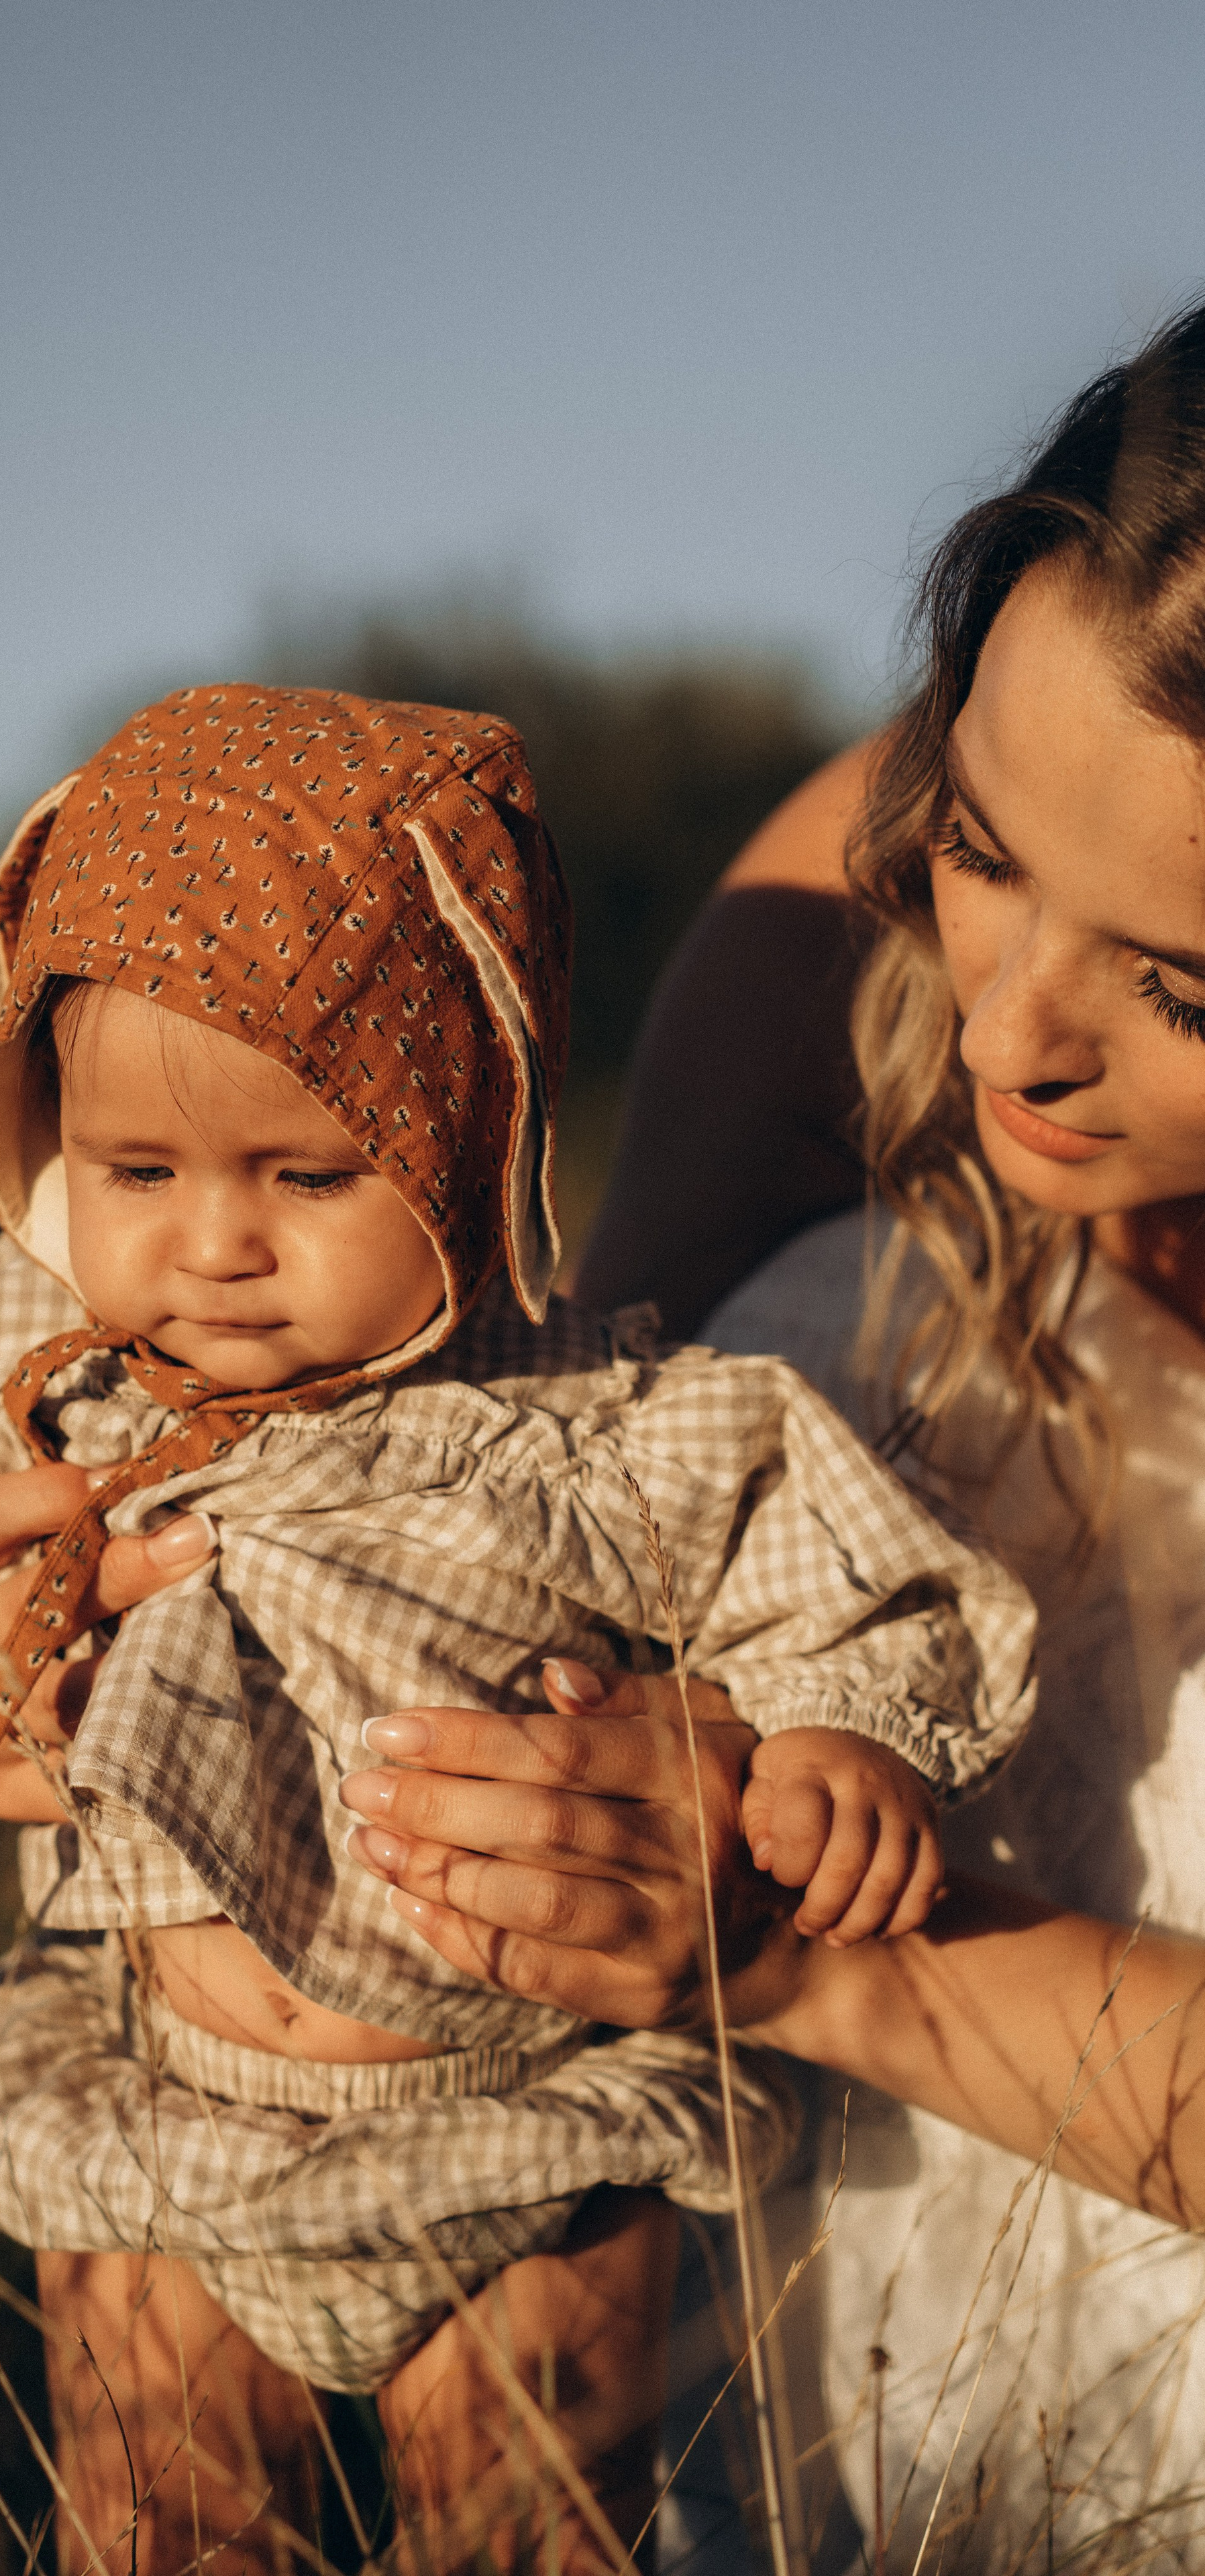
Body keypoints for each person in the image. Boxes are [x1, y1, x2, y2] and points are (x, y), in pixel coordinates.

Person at [0, 684, 1033, 2573]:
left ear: (466, 1133)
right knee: (163, 2521)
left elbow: (819, 1558)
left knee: (530, 2526)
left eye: (308, 1174)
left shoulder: (578, 1422)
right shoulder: (12, 1389)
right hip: (158, 2098)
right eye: (139, 1175)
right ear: (44, 1137)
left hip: (530, 2113)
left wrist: (837, 1741)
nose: (216, 1243)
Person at [345, 298, 1205, 2569]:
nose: (1010, 1030)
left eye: (1186, 986)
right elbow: (512, 1495)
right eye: (984, 844)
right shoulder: (837, 943)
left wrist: (793, 1952)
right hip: (780, 2416)